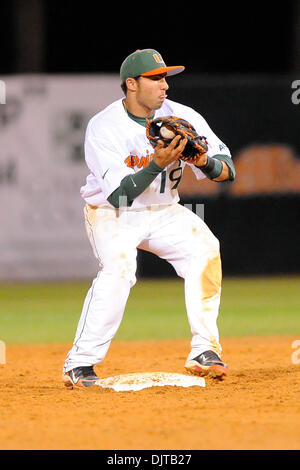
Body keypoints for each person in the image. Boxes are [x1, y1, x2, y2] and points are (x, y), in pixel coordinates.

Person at [62, 48, 236, 388]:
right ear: (131, 84)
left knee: (205, 249)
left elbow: (228, 171)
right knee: (119, 268)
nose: (164, 85)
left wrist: (203, 163)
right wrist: (157, 163)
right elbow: (119, 196)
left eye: (165, 78)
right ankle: (79, 363)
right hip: (112, 212)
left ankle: (204, 351)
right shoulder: (104, 126)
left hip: (164, 209)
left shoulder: (183, 115)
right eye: (155, 78)